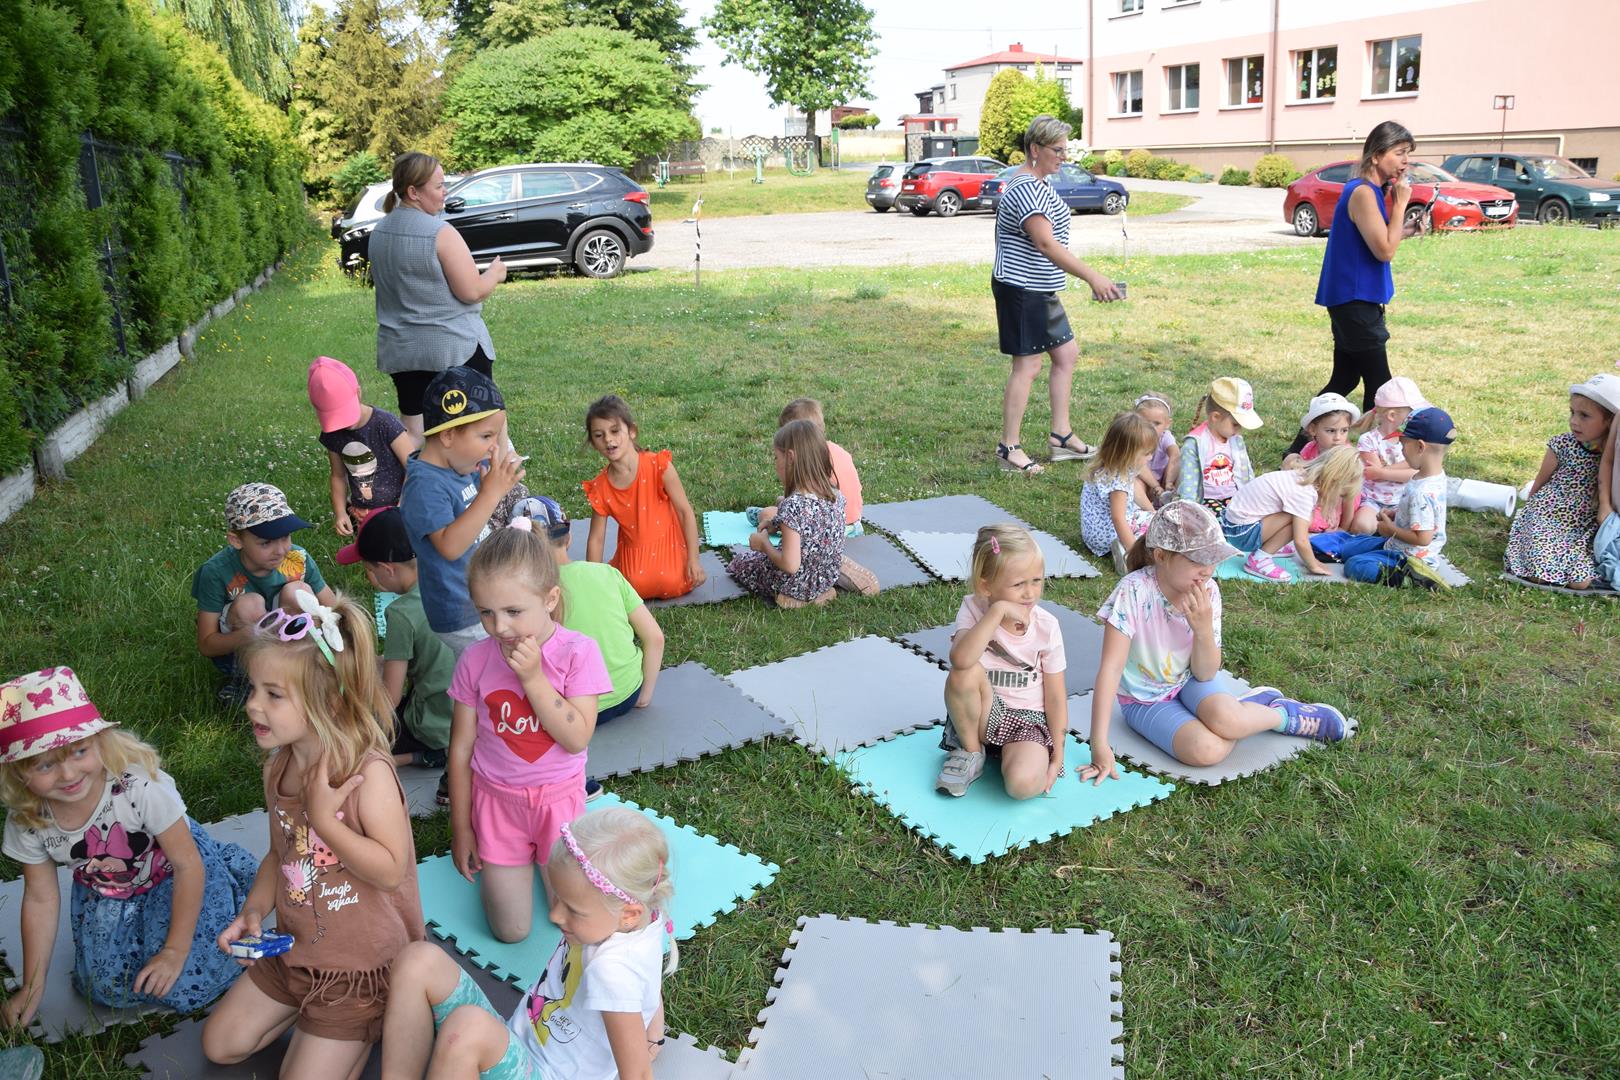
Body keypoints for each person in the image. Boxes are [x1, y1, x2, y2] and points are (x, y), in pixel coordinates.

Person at [203, 593, 424, 1077]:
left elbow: (390, 872)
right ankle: (323, 1026)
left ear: (329, 699)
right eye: (253, 689)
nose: (252, 706)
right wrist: (255, 911)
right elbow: (281, 850)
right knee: (221, 1046)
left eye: (273, 695)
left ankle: (371, 1019)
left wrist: (325, 822)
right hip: (293, 950)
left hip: (359, 968)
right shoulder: (277, 765)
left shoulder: (366, 774)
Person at [0, 667, 257, 1027]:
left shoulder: (138, 786)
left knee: (186, 978)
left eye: (79, 752)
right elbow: (41, 898)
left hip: (176, 872)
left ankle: (229, 868)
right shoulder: (28, 818)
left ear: (99, 740)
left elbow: (187, 865)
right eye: (45, 765)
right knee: (105, 990)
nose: (69, 775)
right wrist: (32, 984)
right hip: (111, 890)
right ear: (18, 772)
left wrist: (174, 950)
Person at [380, 807, 675, 1080]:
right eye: (557, 897)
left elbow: (637, 1075)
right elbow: (648, 983)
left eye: (572, 909)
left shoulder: (612, 970)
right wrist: (654, 1034)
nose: (555, 914)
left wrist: (647, 1042)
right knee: (418, 961)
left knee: (466, 1029)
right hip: (517, 1043)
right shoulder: (641, 916)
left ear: (628, 914)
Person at [1084, 502, 1349, 775]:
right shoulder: (1133, 592)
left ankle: (1285, 715)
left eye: (1213, 559)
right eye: (1198, 560)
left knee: (1229, 721)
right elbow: (1111, 669)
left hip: (1190, 681)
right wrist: (1099, 743)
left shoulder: (1208, 590)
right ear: (1161, 556)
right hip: (1144, 701)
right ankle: (1248, 713)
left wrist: (1202, 631)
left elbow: (1205, 671)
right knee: (1207, 749)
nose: (1208, 570)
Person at [448, 525, 611, 944]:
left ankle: (550, 862)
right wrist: (462, 825)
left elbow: (577, 738)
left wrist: (534, 679)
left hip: (559, 802)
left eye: (513, 612)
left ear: (550, 599)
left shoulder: (578, 652)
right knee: (511, 932)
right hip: (497, 804)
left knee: (579, 923)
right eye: (486, 612)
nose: (499, 627)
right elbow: (462, 747)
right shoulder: (474, 660)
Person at [989, 114, 1122, 474]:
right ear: (1035, 149)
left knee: (1066, 354)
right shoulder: (1026, 187)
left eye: (1067, 150)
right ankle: (1008, 448)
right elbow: (1045, 243)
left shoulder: (1038, 182)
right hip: (1021, 287)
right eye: (1057, 150)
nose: (1064, 157)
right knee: (1028, 364)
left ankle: (1061, 437)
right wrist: (1092, 276)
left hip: (1040, 287)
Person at [1288, 121, 1423, 455]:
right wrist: (1403, 202)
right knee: (1381, 388)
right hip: (1355, 301)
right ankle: (1369, 457)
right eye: (1399, 153)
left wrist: (1401, 229)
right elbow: (1384, 251)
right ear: (1377, 155)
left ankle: (1296, 451)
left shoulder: (1367, 191)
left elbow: (1376, 240)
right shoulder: (1363, 192)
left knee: (1345, 380)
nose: (1405, 161)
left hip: (1354, 299)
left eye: (1408, 154)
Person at [369, 151, 506, 447]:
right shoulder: (440, 233)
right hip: (454, 350)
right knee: (482, 427)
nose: (445, 193)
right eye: (439, 186)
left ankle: (418, 487)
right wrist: (494, 273)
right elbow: (471, 291)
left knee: (416, 433)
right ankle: (494, 487)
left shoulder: (378, 232)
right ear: (413, 192)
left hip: (403, 350)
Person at [397, 366, 526, 659]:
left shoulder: (458, 466)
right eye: (486, 437)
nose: (494, 447)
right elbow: (450, 546)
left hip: (480, 600)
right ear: (449, 435)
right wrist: (490, 493)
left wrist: (492, 480)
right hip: (461, 613)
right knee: (492, 674)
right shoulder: (425, 485)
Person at [934, 525, 1068, 800]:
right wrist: (996, 612)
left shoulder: (1047, 627)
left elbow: (1055, 695)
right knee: (964, 671)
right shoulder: (974, 608)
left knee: (1023, 786)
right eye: (1018, 584)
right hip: (982, 716)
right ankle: (972, 752)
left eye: (1037, 581)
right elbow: (960, 659)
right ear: (986, 585)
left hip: (1027, 723)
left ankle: (1012, 756)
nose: (1030, 593)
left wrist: (1057, 753)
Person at [336, 508, 455, 791]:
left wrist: (354, 705)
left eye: (370, 571)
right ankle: (432, 754)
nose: (370, 580)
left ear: (387, 569)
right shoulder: (456, 583)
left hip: (432, 725)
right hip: (474, 721)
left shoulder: (401, 613)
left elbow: (389, 697)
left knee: (347, 740)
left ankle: (420, 754)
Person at [526, 495, 665, 720]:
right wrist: (644, 695)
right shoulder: (607, 573)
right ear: (569, 538)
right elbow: (655, 638)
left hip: (572, 712)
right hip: (628, 693)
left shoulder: (530, 595)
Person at [192, 483, 337, 697]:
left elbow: (334, 608)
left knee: (299, 591)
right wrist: (255, 634)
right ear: (236, 540)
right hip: (242, 648)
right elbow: (207, 644)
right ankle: (250, 682)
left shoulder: (299, 559)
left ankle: (301, 673)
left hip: (293, 649)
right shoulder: (215, 572)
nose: (280, 551)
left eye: (286, 537)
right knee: (248, 604)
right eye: (266, 542)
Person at [1315, 407, 1458, 591]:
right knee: (1348, 545)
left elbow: (1423, 538)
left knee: (1356, 565)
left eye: (1403, 443)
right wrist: (1396, 514)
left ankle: (1409, 577)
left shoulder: (1422, 492)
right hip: (1398, 544)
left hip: (1411, 558)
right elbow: (1425, 515)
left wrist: (1391, 530)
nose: (1402, 450)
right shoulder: (1432, 476)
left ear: (1420, 447)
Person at [727, 420, 860, 608]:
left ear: (790, 458)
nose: (775, 464)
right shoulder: (835, 495)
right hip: (825, 577)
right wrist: (777, 523)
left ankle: (795, 599)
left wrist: (764, 545)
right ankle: (824, 591)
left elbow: (790, 565)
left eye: (776, 458)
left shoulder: (794, 505)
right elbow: (813, 527)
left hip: (796, 584)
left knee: (741, 563)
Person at [1505, 375, 1619, 589]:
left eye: (1584, 415)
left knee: (1580, 582)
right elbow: (1540, 482)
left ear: (1611, 422)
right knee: (1539, 574)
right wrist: (1528, 516)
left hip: (1581, 525)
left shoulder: (1611, 456)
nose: (1574, 421)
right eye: (1572, 413)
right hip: (1547, 516)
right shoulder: (1562, 444)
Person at [1220, 446, 1363, 581]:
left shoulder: (1300, 476)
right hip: (1241, 534)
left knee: (1302, 516)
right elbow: (1301, 541)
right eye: (1341, 495)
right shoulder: (1305, 492)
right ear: (1334, 481)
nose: (1338, 499)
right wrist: (1313, 564)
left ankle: (1271, 545)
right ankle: (1260, 559)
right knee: (1299, 519)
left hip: (1232, 525)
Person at [307, 356, 412, 537]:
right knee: (372, 560)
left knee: (400, 559)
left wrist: (401, 508)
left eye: (346, 414)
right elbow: (338, 476)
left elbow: (414, 468)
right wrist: (340, 513)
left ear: (359, 393)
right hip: (363, 514)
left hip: (398, 511)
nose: (343, 424)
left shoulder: (385, 424)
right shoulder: (333, 432)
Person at [1078, 411, 1157, 572]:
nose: (1150, 457)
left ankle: (1124, 545)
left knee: (1155, 518)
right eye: (1146, 453)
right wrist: (1135, 554)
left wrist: (1153, 512)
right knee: (1157, 529)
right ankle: (1125, 551)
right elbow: (1118, 518)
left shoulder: (1111, 466)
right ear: (1127, 453)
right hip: (1109, 535)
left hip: (1094, 533)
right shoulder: (1118, 481)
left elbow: (1136, 492)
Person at [1352, 376, 1427, 534]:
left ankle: (1386, 530)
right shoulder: (1369, 440)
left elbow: (1416, 473)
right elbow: (1374, 475)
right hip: (1372, 501)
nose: (1418, 418)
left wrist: (1384, 470)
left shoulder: (1413, 439)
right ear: (1392, 416)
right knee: (1362, 526)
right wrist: (1401, 469)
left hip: (1404, 501)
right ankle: (1384, 529)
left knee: (1419, 530)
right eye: (1412, 414)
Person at [1175, 377, 1260, 514]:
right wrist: (1188, 510)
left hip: (1233, 496)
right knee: (1223, 520)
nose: (1239, 431)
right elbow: (1189, 482)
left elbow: (1245, 472)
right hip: (1206, 500)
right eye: (1235, 424)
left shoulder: (1235, 440)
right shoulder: (1195, 443)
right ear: (1215, 417)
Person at [1281, 393, 1362, 532]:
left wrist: (1343, 529)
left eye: (1344, 431)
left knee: (1295, 519)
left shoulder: (1346, 457)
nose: (1338, 438)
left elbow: (1350, 497)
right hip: (1310, 500)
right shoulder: (1309, 449)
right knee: (1291, 460)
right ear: (1313, 429)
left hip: (1330, 509)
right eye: (1331, 431)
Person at [1134, 392, 1181, 503]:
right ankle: (1147, 509)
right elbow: (1138, 465)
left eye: (1156, 423)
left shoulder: (1165, 436)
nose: (1150, 428)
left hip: (1163, 479)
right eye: (1144, 423)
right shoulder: (1134, 438)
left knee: (1182, 466)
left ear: (1167, 424)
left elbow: (1175, 455)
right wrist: (1155, 486)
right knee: (1136, 483)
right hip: (1143, 478)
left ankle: (1172, 500)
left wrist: (1169, 482)